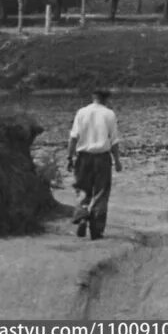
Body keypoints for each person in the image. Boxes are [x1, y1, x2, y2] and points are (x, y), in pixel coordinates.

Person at [67, 88, 122, 241]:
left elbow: (73, 138)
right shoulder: (109, 114)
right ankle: (96, 230)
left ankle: (83, 215)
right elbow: (114, 141)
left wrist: (69, 157)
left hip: (83, 157)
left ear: (93, 97)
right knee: (101, 193)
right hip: (102, 158)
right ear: (106, 99)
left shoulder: (81, 112)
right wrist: (117, 161)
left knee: (82, 189)